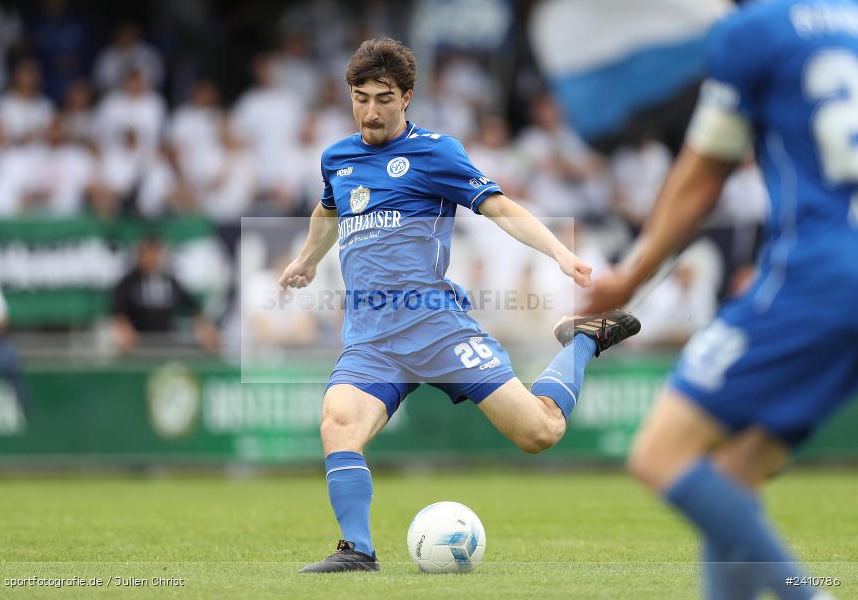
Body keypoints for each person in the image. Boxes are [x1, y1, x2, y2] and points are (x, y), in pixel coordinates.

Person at [278, 38, 641, 573]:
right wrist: (308, 260)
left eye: (383, 98)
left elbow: (499, 207)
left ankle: (583, 338)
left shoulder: (435, 152)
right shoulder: (339, 158)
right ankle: (357, 551)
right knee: (337, 423)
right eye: (360, 98)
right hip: (372, 339)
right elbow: (327, 210)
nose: (370, 111)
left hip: (437, 328)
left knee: (540, 433)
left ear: (407, 97)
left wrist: (560, 251)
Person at [582, 2, 858, 599]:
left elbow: (704, 173)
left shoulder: (754, 31)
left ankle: (807, 593)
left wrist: (630, 275)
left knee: (660, 453)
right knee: (733, 472)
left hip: (824, 270)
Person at [110, 236, 218, 353]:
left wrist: (205, 327)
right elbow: (118, 311)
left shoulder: (169, 281)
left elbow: (192, 306)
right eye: (148, 253)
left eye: (156, 253)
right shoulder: (128, 283)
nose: (152, 258)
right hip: (138, 343)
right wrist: (125, 328)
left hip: (166, 341)